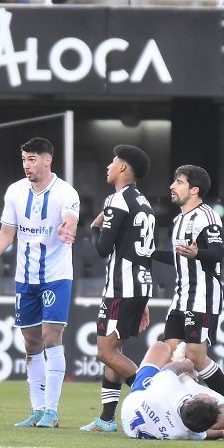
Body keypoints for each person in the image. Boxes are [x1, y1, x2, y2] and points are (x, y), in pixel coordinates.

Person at [0, 138, 80, 428]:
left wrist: (67, 228)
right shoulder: (15, 192)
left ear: (48, 160)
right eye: (24, 159)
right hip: (25, 279)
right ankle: (36, 409)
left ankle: (52, 410)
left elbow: (70, 219)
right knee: (31, 342)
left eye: (32, 159)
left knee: (51, 337)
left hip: (56, 277)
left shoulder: (65, 192)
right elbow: (5, 236)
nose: (26, 165)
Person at [80, 145, 155, 433]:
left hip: (121, 288)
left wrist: (95, 227)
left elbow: (102, 249)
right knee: (116, 350)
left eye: (112, 162)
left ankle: (153, 398)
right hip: (138, 286)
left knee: (106, 352)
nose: (108, 166)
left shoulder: (119, 199)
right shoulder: (144, 203)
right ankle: (107, 418)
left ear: (123, 168)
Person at [152, 165, 224, 401]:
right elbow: (179, 256)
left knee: (196, 357)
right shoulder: (179, 219)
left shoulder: (206, 216)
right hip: (181, 298)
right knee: (173, 358)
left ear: (194, 189)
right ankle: (187, 409)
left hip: (203, 297)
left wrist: (197, 254)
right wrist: (150, 253)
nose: (172, 186)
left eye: (178, 182)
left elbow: (218, 253)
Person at [122, 341, 224, 441]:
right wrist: (221, 432)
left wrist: (187, 365)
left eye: (209, 399)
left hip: (138, 398)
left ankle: (181, 367)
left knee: (160, 347)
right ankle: (186, 378)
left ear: (189, 400)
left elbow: (169, 369)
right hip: (135, 417)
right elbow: (203, 434)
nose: (213, 398)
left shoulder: (166, 386)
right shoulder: (185, 433)